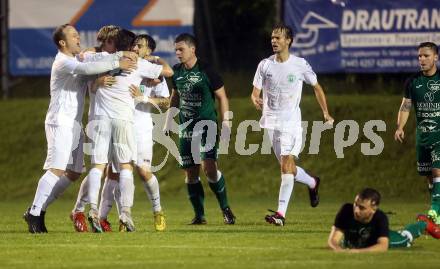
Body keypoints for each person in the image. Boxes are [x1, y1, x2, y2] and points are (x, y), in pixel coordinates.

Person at [23, 24, 136, 233]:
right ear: (62, 43)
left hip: (74, 123)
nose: (78, 38)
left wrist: (100, 74)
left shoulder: (77, 59)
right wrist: (117, 60)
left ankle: (39, 209)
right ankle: (34, 212)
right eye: (74, 36)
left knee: (74, 172)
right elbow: (86, 69)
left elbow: (90, 66)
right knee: (56, 169)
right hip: (60, 121)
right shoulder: (63, 62)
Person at [84, 29, 173, 232]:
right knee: (124, 168)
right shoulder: (139, 64)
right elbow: (169, 71)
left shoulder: (103, 58)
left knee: (99, 166)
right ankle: (125, 214)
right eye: (135, 44)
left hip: (105, 120)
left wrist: (98, 79)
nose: (137, 48)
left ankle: (94, 210)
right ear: (131, 45)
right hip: (124, 120)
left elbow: (83, 57)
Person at [251, 24, 333, 226]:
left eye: (278, 37)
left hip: (291, 123)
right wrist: (255, 99)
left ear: (289, 40)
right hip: (271, 122)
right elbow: (254, 93)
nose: (274, 41)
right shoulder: (264, 65)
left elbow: (316, 87)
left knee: (286, 165)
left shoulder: (300, 65)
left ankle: (280, 214)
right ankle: (313, 182)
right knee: (288, 168)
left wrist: (325, 112)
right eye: (272, 37)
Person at [164, 33, 235, 225]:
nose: (178, 53)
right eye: (176, 50)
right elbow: (175, 97)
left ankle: (225, 208)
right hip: (186, 128)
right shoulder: (177, 71)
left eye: (181, 49)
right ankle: (199, 216)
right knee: (191, 172)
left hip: (207, 125)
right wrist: (168, 121)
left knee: (209, 168)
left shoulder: (207, 70)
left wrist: (226, 121)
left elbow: (222, 97)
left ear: (192, 49)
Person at [70, 25, 121, 232]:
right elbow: (88, 83)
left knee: (115, 171)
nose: (117, 46)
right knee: (99, 169)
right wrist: (97, 81)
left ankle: (101, 216)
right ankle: (79, 210)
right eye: (114, 41)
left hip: (119, 117)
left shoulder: (118, 57)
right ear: (107, 41)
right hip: (99, 118)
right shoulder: (93, 56)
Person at [394, 42, 440, 225]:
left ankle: (435, 210)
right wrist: (400, 127)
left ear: (435, 57)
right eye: (419, 56)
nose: (422, 59)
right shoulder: (412, 81)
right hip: (423, 135)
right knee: (429, 175)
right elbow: (406, 106)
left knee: (437, 169)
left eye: (426, 56)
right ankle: (436, 208)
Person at [328, 188, 440, 252]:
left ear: (373, 208)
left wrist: (358, 252)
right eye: (355, 204)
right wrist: (338, 249)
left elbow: (383, 246)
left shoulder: (380, 217)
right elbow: (333, 240)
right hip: (357, 243)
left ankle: (424, 224)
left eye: (361, 207)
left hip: (386, 240)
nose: (356, 210)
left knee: (406, 237)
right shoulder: (346, 210)